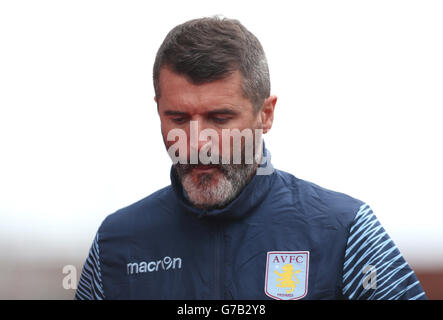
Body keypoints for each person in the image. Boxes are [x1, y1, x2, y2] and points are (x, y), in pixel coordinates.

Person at [75, 16, 426, 300]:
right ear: (158, 111)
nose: (197, 143)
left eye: (220, 118)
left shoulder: (345, 233)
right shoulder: (115, 244)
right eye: (178, 118)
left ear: (266, 114)